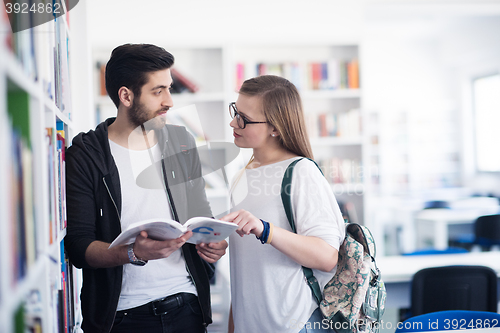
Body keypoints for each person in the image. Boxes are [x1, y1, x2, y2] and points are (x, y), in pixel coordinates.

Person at [65, 43, 227, 333]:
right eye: (158, 91)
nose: (170, 101)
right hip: (122, 316)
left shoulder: (182, 141)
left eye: (169, 88)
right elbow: (79, 247)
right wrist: (132, 253)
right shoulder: (86, 153)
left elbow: (201, 214)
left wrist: (211, 242)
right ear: (126, 96)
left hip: (187, 306)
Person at [221, 75, 346, 333]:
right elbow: (246, 269)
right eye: (235, 111)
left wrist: (265, 230)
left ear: (275, 128)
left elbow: (327, 256)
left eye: (244, 118)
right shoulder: (241, 175)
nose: (233, 122)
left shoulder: (301, 172)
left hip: (294, 325)